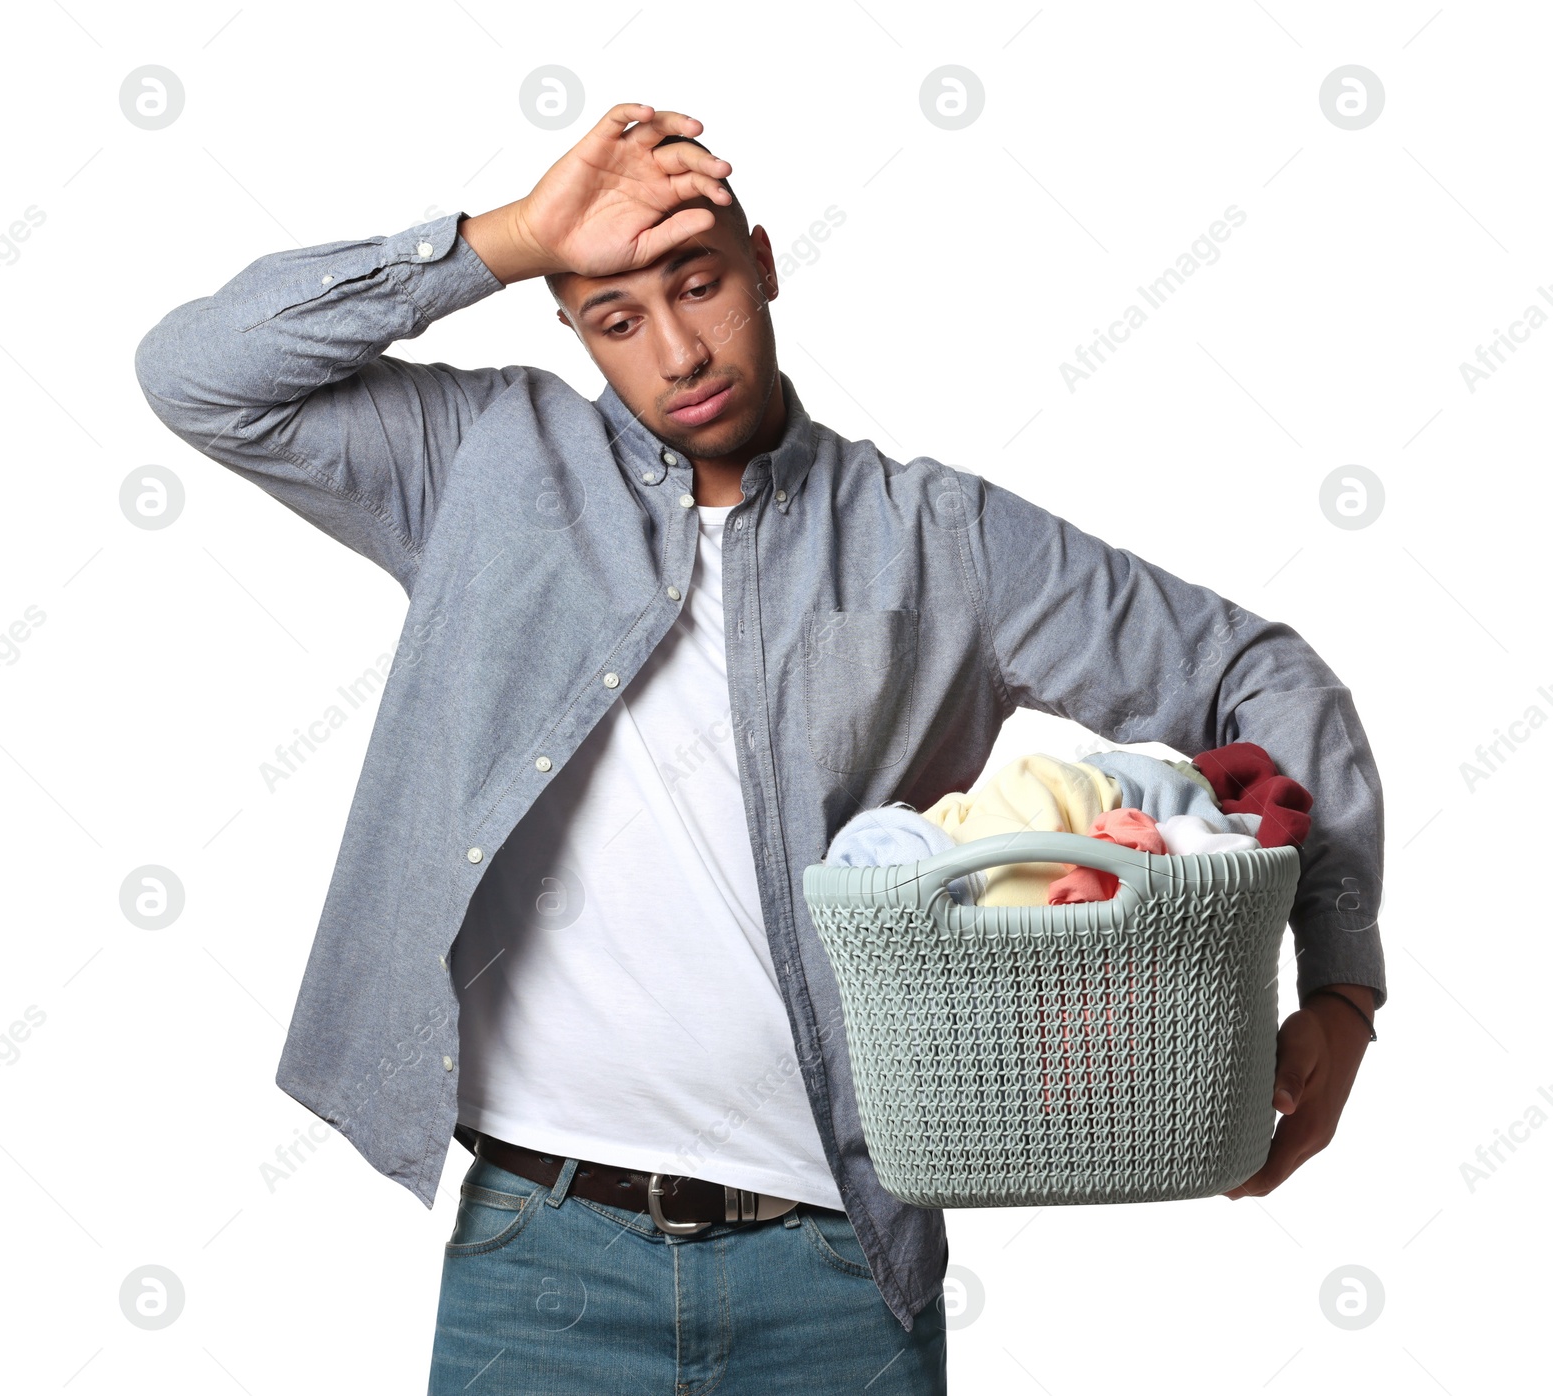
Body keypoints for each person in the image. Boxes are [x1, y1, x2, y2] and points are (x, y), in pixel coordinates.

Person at [134, 103, 1386, 1394]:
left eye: (700, 285)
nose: (678, 351)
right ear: (571, 329)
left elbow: (1261, 673)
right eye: (617, 318)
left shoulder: (936, 536)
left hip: (837, 1265)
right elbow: (198, 371)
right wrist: (506, 237)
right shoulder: (482, 466)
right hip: (541, 1245)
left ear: (765, 265)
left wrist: (1339, 991)